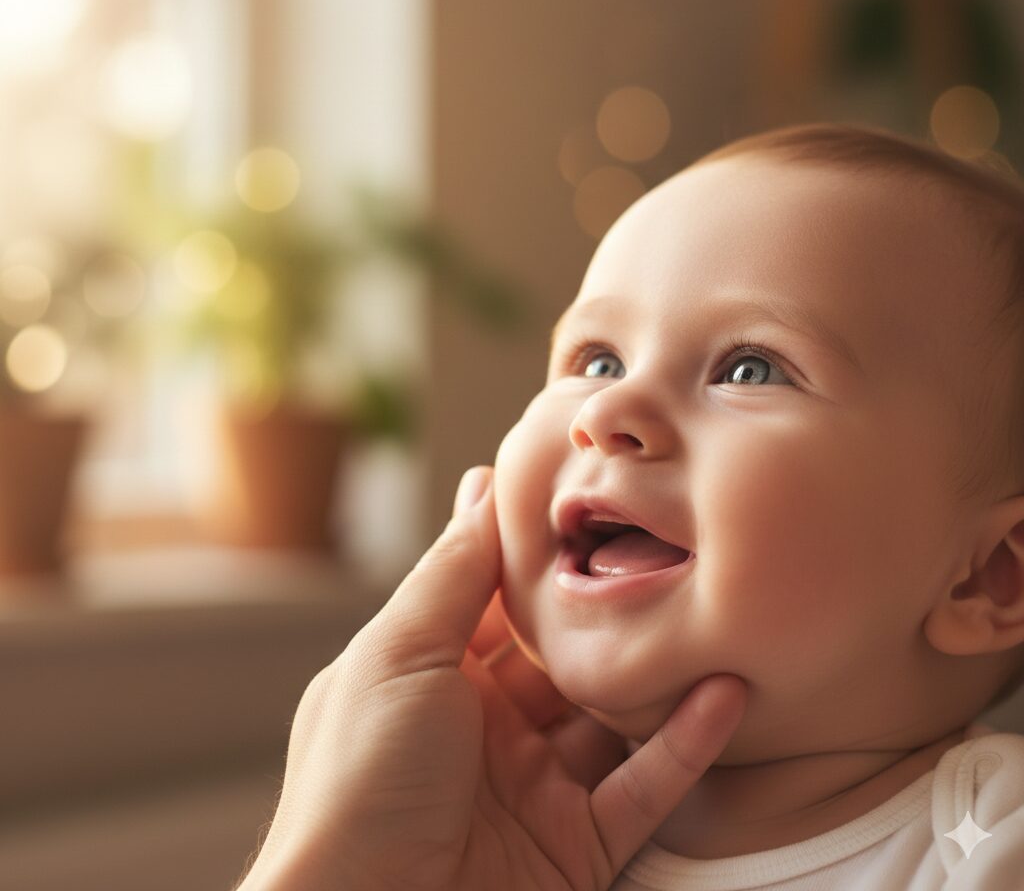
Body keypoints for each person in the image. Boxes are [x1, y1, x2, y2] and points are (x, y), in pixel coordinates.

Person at [237, 123, 1024, 891]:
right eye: (598, 359)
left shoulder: (986, 839)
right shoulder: (467, 847)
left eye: (749, 370)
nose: (607, 413)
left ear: (988, 578)